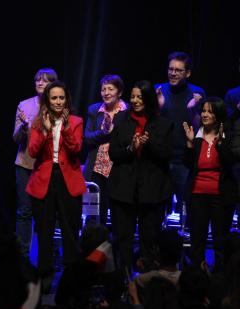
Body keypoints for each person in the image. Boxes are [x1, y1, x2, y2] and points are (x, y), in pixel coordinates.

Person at [109, 80, 172, 273]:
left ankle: (147, 282)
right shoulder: (120, 119)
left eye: (140, 97)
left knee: (149, 238)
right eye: (133, 96)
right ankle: (124, 280)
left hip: (151, 191)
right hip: (123, 189)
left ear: (149, 99)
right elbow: (114, 153)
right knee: (123, 238)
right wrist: (131, 148)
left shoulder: (164, 123)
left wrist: (149, 144)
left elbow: (166, 155)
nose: (135, 100)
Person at [27, 81, 85, 288]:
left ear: (66, 99)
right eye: (54, 98)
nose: (58, 102)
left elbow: (76, 147)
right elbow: (32, 152)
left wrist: (65, 128)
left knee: (70, 229)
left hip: (67, 179)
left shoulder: (76, 121)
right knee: (45, 230)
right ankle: (45, 275)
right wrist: (45, 130)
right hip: (45, 179)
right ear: (48, 101)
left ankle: (71, 278)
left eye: (61, 98)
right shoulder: (37, 122)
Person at [182, 97, 238, 270]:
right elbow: (188, 164)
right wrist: (190, 143)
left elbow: (230, 162)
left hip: (221, 196)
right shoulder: (196, 135)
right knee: (197, 239)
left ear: (218, 115)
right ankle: (198, 275)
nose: (205, 114)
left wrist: (220, 143)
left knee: (221, 241)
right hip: (198, 194)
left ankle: (219, 279)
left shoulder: (227, 136)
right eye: (204, 111)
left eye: (210, 111)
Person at [13, 68, 58, 260]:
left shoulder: (57, 104)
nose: (40, 83)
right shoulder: (24, 105)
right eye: (37, 80)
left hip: (48, 165)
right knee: (24, 211)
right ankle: (22, 256)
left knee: (48, 212)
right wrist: (24, 127)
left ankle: (49, 255)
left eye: (45, 80)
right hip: (25, 164)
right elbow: (15, 138)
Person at [155, 52, 206, 217]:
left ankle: (185, 237)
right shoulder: (159, 90)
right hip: (160, 157)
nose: (173, 73)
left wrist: (192, 110)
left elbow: (201, 128)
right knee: (159, 205)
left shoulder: (197, 93)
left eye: (178, 70)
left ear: (188, 73)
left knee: (186, 204)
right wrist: (158, 108)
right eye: (171, 69)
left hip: (183, 159)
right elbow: (151, 125)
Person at [83, 74, 128, 226]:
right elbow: (87, 138)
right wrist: (103, 132)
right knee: (92, 212)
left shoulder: (127, 112)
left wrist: (113, 132)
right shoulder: (94, 110)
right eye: (103, 89)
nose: (106, 92)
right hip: (95, 168)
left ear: (119, 92)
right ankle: (92, 246)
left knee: (118, 213)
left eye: (111, 89)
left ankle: (114, 247)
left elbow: (128, 141)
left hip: (118, 168)